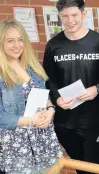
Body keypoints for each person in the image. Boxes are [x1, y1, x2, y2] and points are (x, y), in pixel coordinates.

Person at [42, 0, 99, 174]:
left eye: (74, 15)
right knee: (78, 167)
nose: (70, 20)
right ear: (59, 16)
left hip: (93, 120)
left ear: (83, 14)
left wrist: (97, 89)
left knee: (92, 169)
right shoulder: (53, 46)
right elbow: (48, 80)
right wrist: (56, 99)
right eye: (65, 16)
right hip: (65, 121)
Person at [0, 19, 62, 174]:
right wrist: (30, 121)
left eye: (20, 40)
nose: (17, 45)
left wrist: (50, 110)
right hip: (16, 145)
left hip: (43, 139)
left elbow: (43, 94)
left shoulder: (31, 66)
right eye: (10, 41)